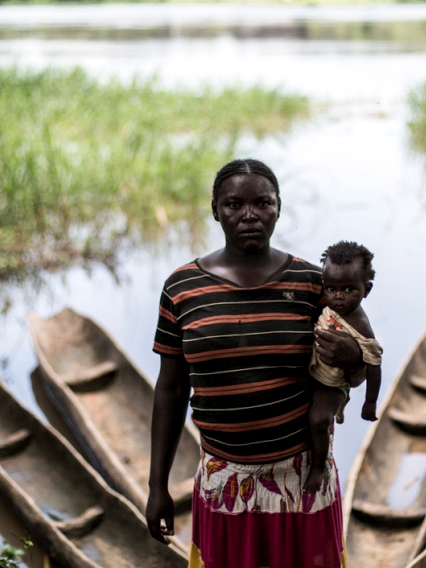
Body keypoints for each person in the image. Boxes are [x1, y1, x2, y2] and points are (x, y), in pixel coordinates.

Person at [146, 158, 364, 568]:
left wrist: (356, 360)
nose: (249, 215)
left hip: (301, 478)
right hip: (223, 480)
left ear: (278, 208)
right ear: (215, 210)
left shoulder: (311, 283)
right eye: (233, 205)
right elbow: (171, 390)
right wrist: (157, 486)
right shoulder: (182, 289)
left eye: (262, 203)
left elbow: (345, 372)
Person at [303, 241, 382, 494]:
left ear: (366, 290)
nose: (338, 296)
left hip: (332, 382)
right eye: (331, 288)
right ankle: (340, 407)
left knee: (317, 420)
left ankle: (317, 468)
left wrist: (370, 402)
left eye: (349, 289)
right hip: (314, 370)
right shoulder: (327, 303)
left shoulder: (360, 325)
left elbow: (373, 365)